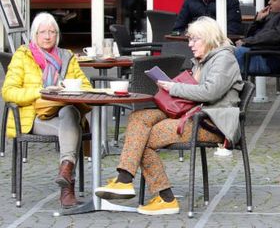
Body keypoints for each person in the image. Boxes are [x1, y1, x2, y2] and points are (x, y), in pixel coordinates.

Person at [95, 17, 244, 215]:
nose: (189, 45)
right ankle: (124, 179)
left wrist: (174, 87)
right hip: (191, 114)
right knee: (138, 118)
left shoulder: (224, 59)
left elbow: (210, 93)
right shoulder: (204, 59)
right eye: (189, 39)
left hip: (211, 123)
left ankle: (165, 199)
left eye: (194, 40)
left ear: (208, 38)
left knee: (144, 138)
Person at [2, 12, 92, 209]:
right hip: (34, 117)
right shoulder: (23, 55)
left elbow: (87, 87)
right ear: (35, 35)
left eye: (52, 32)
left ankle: (65, 170)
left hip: (62, 114)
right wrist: (40, 92)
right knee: (73, 125)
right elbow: (8, 92)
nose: (48, 36)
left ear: (57, 35)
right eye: (43, 32)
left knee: (71, 112)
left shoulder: (67, 56)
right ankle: (68, 190)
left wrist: (70, 88)